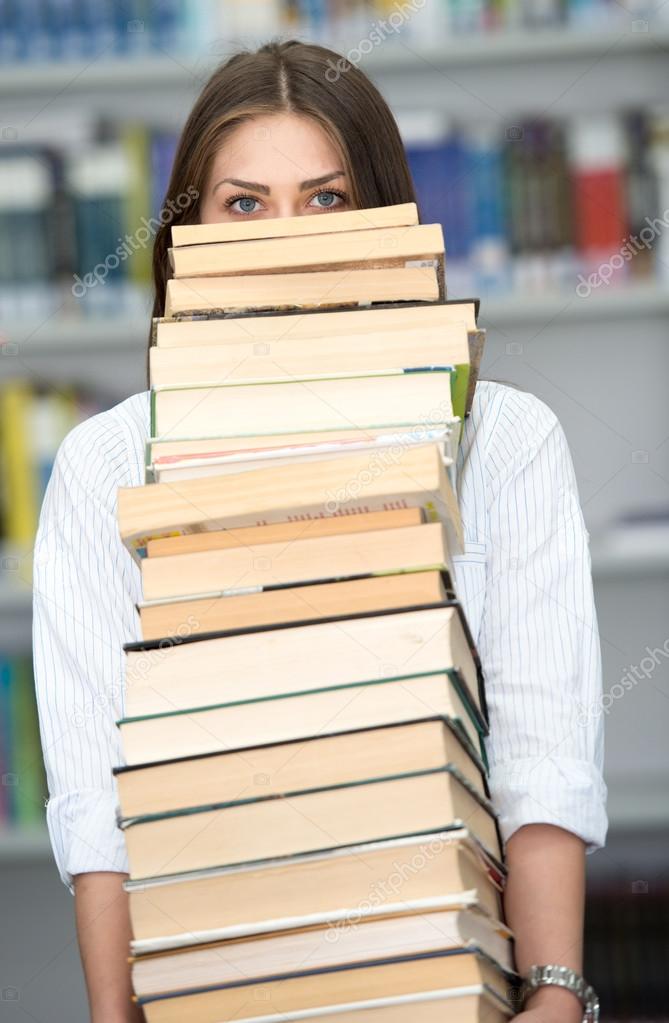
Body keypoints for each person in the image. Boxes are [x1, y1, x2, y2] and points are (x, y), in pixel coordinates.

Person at [32, 39, 606, 1023]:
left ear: (386, 222)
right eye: (244, 204)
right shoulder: (104, 466)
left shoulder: (509, 440)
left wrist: (555, 995)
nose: (284, 237)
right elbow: (99, 806)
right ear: (189, 233)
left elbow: (543, 751)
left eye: (327, 199)